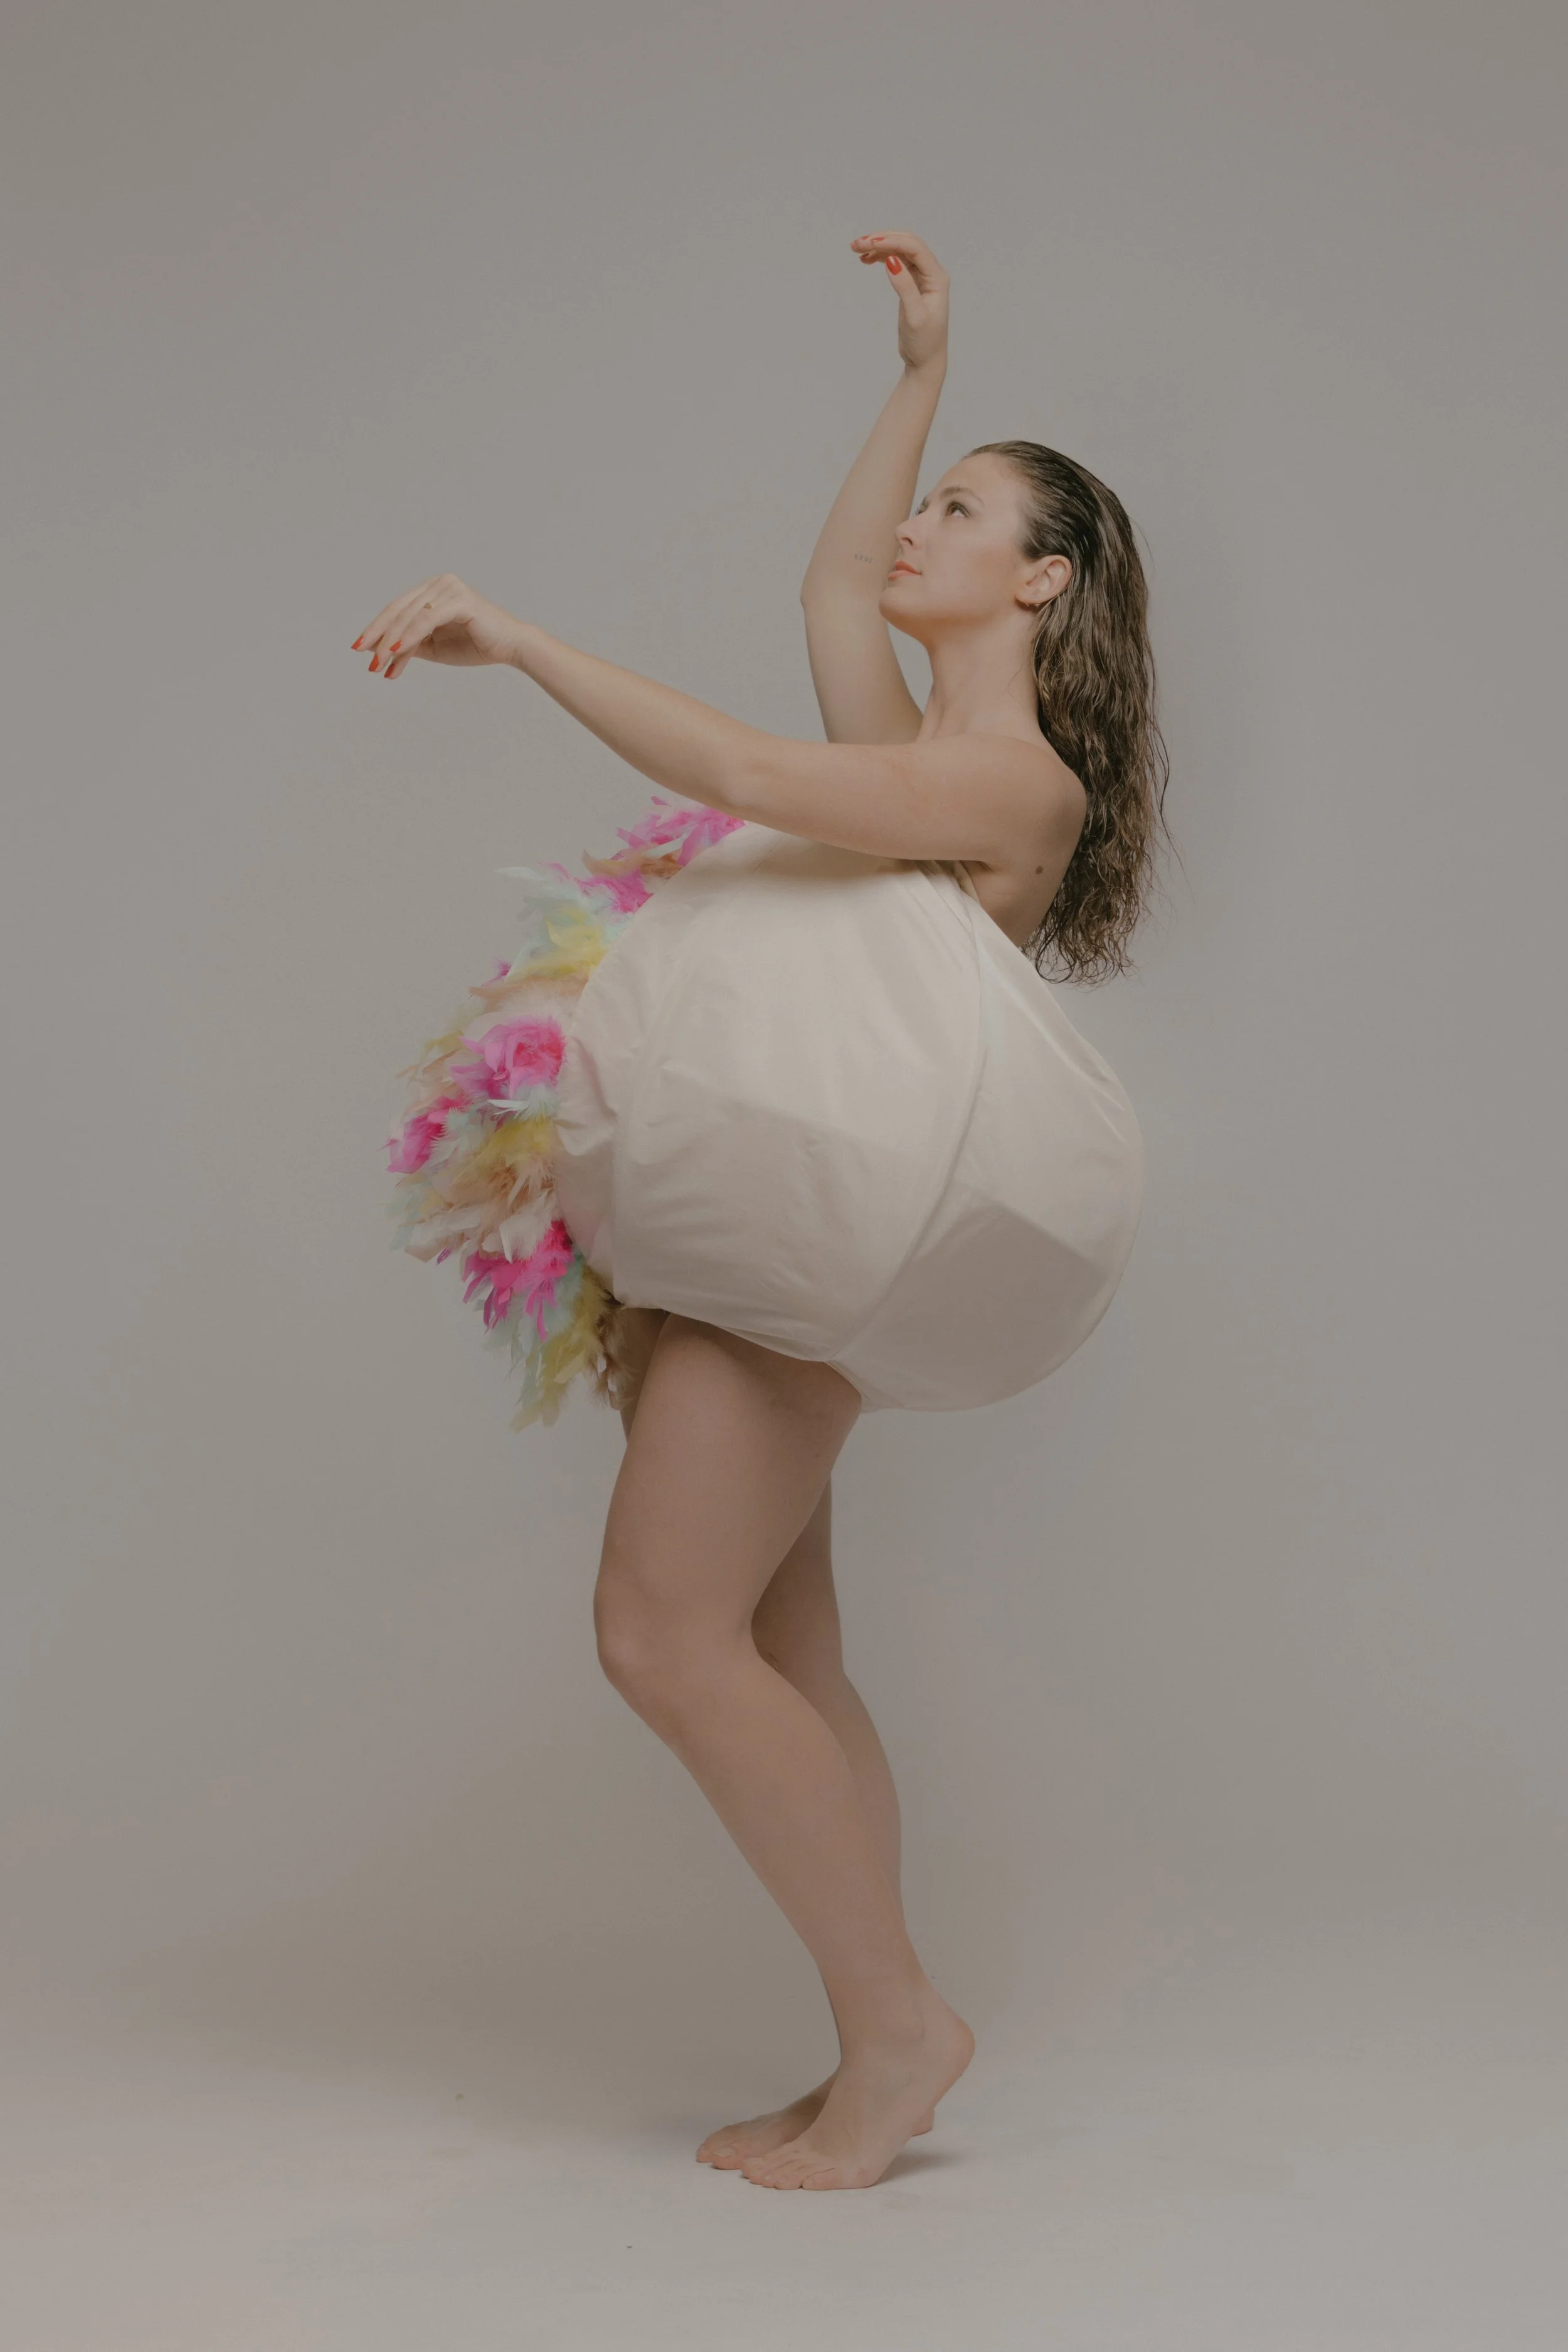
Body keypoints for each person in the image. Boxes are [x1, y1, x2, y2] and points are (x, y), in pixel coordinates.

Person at [358, 231, 1170, 2191]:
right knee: (782, 1654)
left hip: (809, 1250)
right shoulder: (919, 742)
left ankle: (901, 2029)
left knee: (660, 1629)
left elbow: (735, 765)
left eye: (962, 508)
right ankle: (866, 2044)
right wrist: (915, 374)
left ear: (1039, 576)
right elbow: (825, 586)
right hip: (768, 1228)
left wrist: (526, 640)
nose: (920, 527)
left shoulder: (1012, 781)